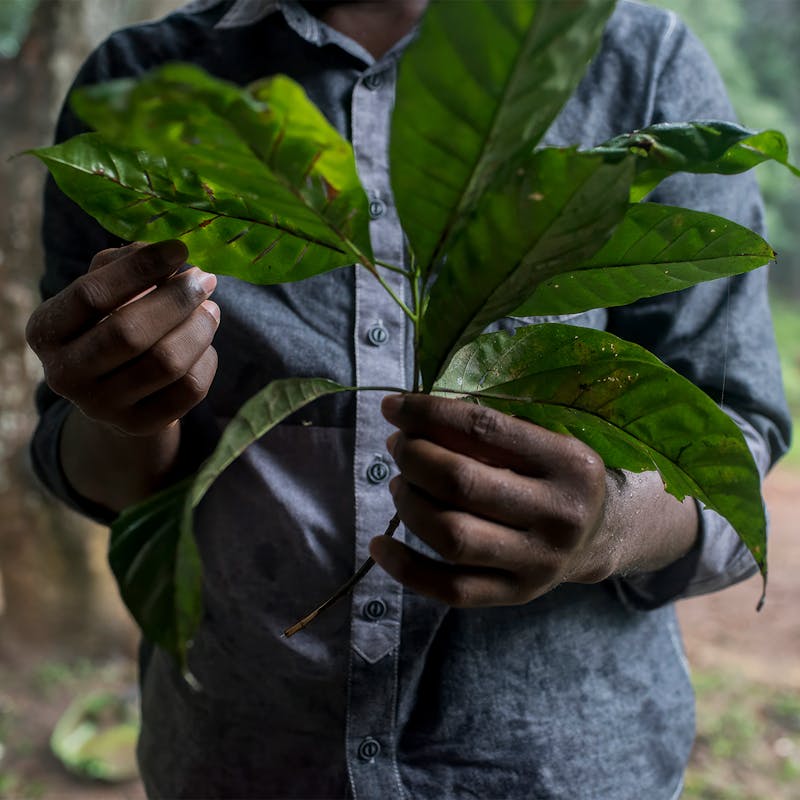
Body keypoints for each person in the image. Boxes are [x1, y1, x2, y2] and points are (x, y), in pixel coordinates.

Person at [25, 1, 790, 798]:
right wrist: (124, 408)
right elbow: (84, 465)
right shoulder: (144, 78)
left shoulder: (637, 59)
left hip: (556, 771)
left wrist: (611, 525)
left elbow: (735, 442)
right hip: (240, 762)